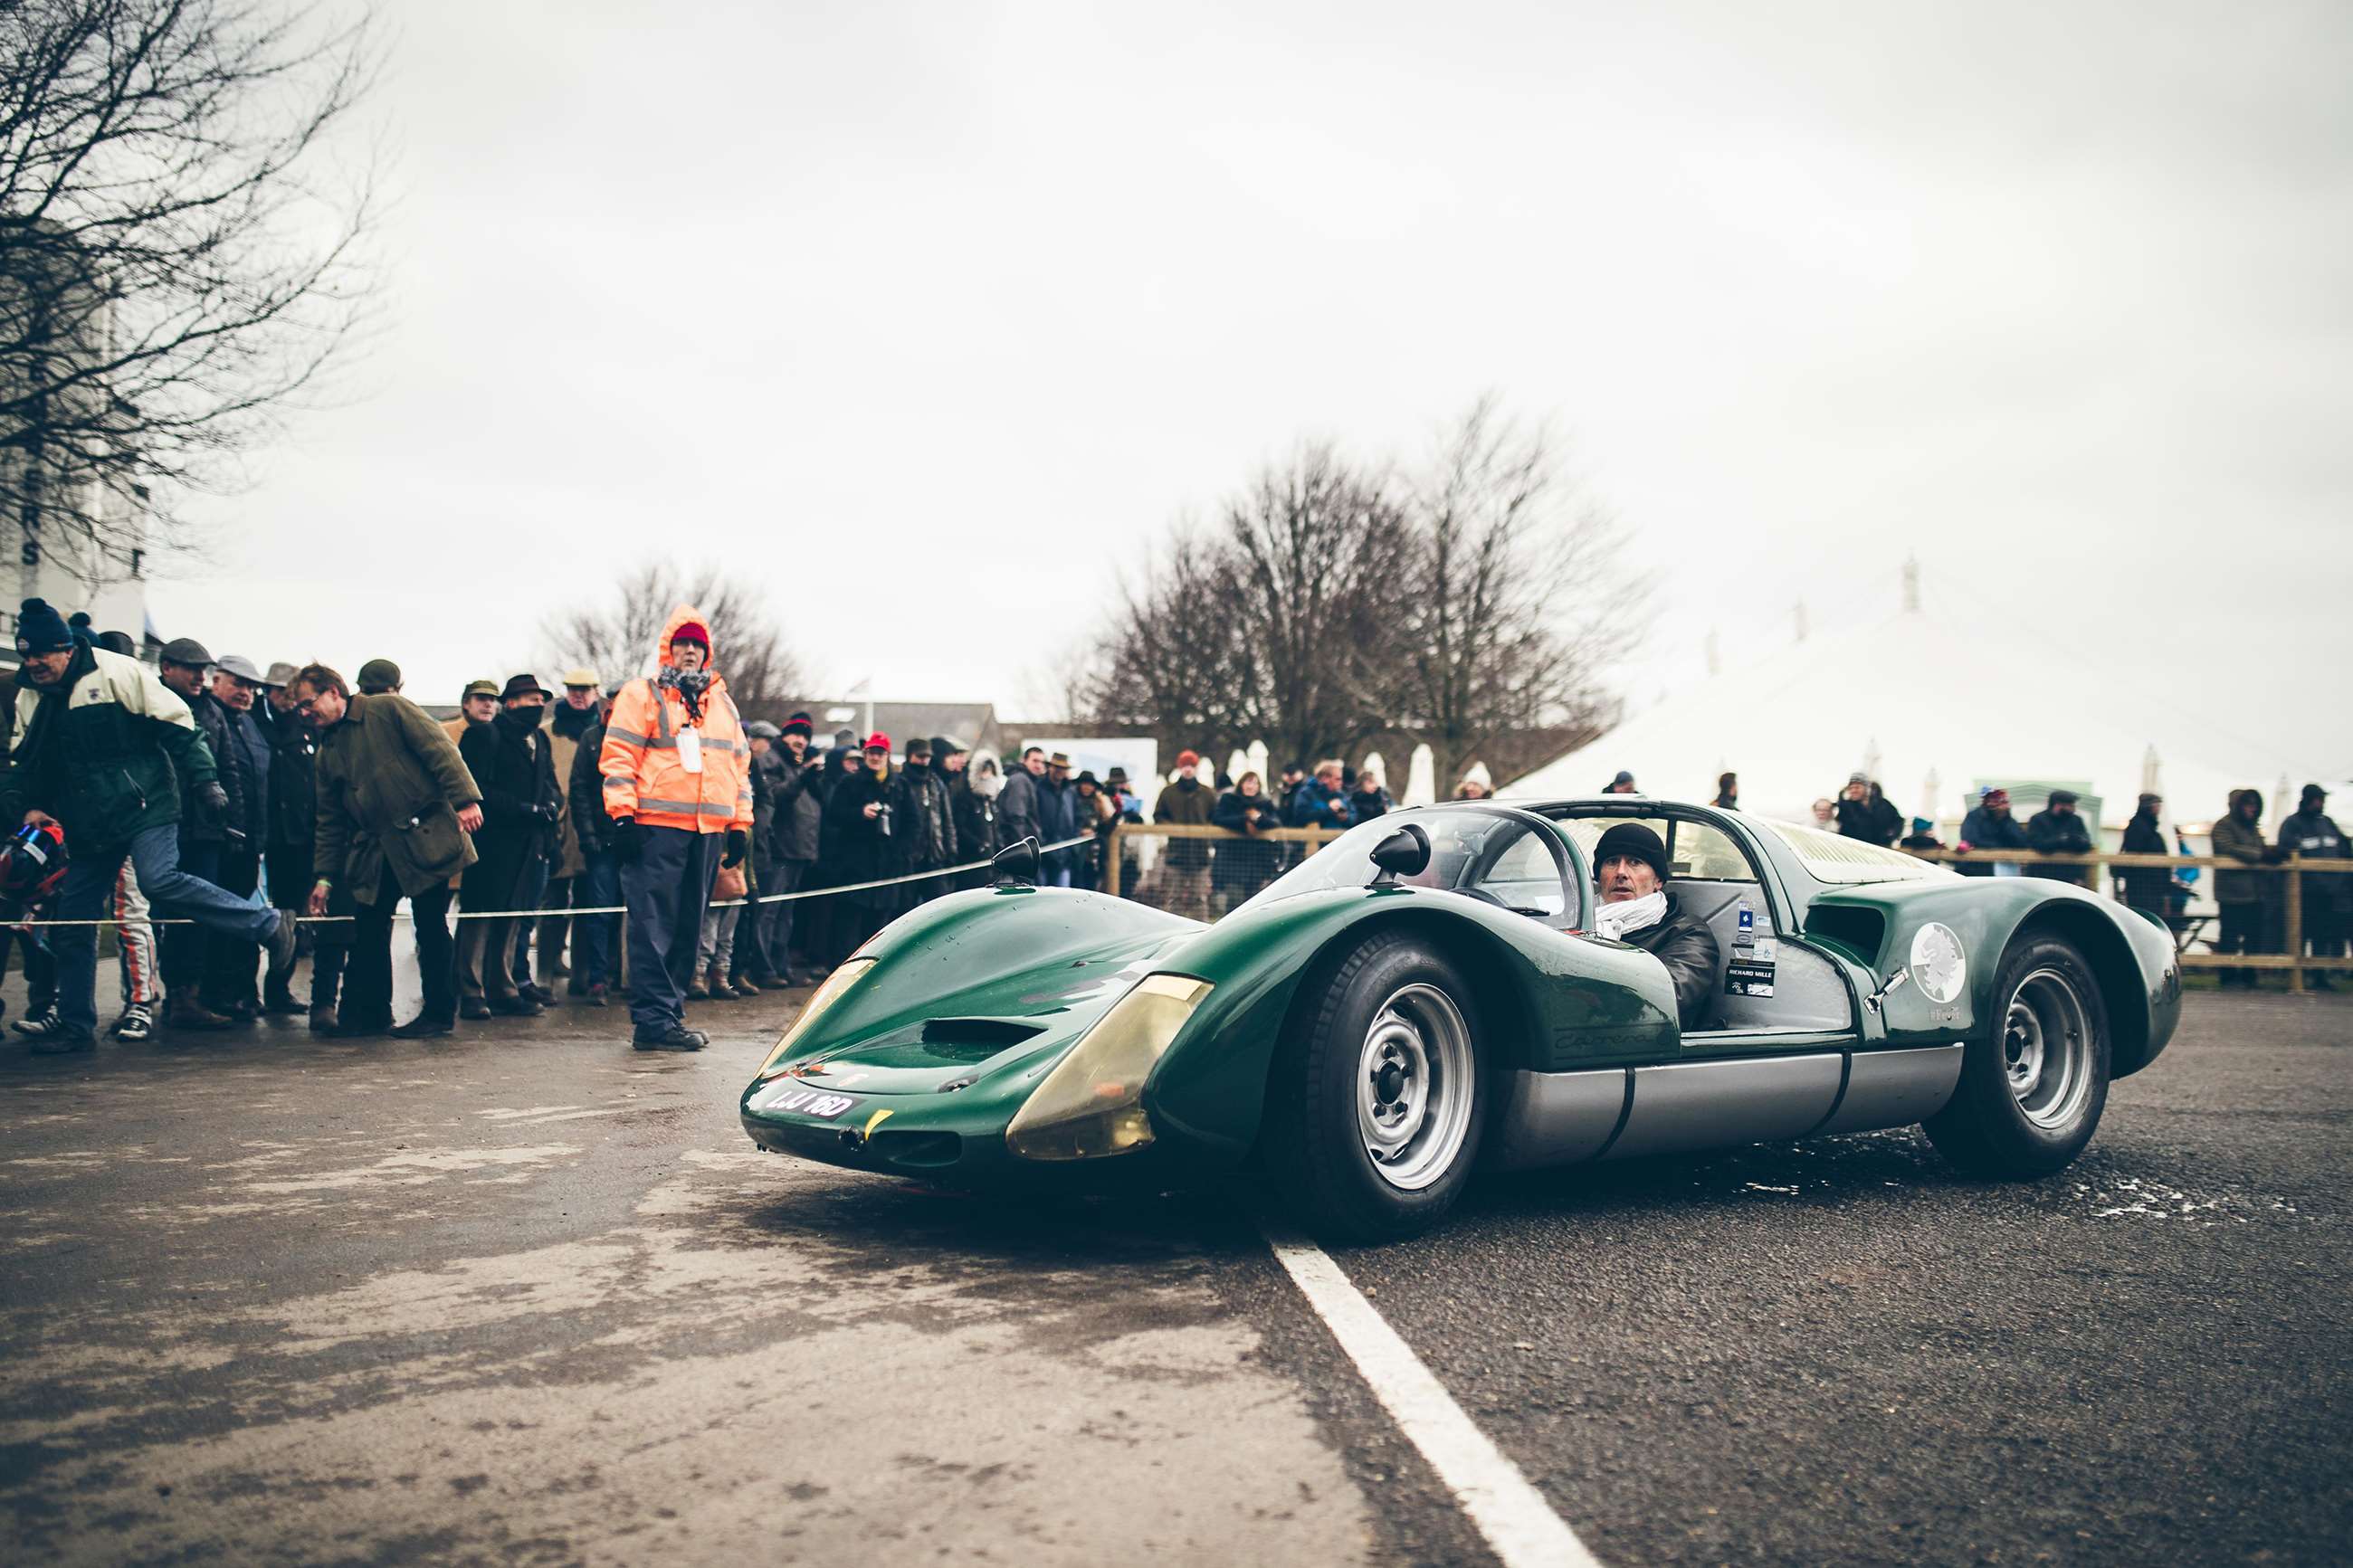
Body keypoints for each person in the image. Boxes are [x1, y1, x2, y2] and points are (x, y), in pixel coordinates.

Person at [5, 602, 299, 1054]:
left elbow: (180, 724)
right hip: (88, 820)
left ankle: (267, 923)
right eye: (26, 656)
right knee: (74, 919)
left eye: (41, 655)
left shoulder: (116, 673)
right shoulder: (31, 696)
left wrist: (206, 782)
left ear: (65, 649)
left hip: (147, 804)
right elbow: (24, 764)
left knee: (158, 878)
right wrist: (26, 809)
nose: (33, 665)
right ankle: (75, 1025)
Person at [299, 663, 481, 1037]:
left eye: (308, 702)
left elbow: (440, 749)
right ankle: (372, 1013)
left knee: (430, 925)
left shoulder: (387, 709)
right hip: (377, 848)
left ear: (334, 692)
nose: (305, 712)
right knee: (369, 928)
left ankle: (438, 1013)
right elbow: (330, 821)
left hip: (425, 835)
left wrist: (466, 800)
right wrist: (324, 877)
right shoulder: (327, 750)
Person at [600, 607, 754, 1050]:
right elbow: (619, 758)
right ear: (669, 650)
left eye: (697, 645)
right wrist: (623, 816)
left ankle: (668, 1014)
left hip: (707, 830)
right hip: (655, 829)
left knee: (688, 925)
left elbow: (739, 767)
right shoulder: (642, 694)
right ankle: (653, 1020)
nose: (690, 651)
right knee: (652, 926)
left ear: (707, 653)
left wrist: (740, 824)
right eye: (682, 644)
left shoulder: (722, 703)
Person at [155, 635, 253, 1030]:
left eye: (203, 669)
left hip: (208, 832)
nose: (200, 676)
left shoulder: (213, 712)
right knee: (163, 916)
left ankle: (189, 997)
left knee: (202, 916)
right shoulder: (150, 704)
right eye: (192, 668)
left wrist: (236, 824)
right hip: (164, 827)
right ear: (166, 668)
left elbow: (229, 771)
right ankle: (162, 995)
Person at [457, 674, 561, 1019]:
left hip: (530, 842)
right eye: (532, 700)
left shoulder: (539, 738)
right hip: (492, 840)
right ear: (512, 702)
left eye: (540, 700)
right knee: (480, 915)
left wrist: (549, 808)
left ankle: (503, 986)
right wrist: (521, 809)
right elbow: (475, 787)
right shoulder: (485, 734)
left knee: (513, 915)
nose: (538, 706)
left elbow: (548, 782)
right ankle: (470, 991)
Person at [262, 660, 337, 1028]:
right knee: (284, 916)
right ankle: (275, 988)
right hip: (280, 840)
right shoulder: (263, 726)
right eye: (276, 691)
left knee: (317, 916)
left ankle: (316, 993)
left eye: (288, 693)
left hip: (311, 835)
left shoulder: (311, 730)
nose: (284, 699)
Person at [1590, 822, 1718, 1030]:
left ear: (1658, 880)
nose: (1621, 872)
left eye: (1635, 862)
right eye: (1612, 861)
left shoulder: (1688, 933)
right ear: (1599, 876)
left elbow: (1663, 997)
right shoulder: (1572, 922)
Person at [202, 655, 274, 1019]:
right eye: (238, 684)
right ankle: (213, 994)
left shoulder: (251, 725)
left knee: (244, 917)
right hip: (217, 840)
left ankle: (242, 991)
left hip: (249, 843)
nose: (246, 692)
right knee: (217, 922)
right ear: (216, 681)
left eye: (251, 687)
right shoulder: (207, 717)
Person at [533, 668, 601, 999]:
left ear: (595, 693)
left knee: (588, 904)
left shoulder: (604, 733)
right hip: (558, 827)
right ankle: (545, 973)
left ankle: (583, 975)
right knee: (553, 902)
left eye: (585, 689)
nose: (578, 694)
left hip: (590, 827)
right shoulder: (547, 732)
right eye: (573, 689)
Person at [566, 689, 620, 1006]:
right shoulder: (592, 739)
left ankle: (621, 976)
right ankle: (597, 978)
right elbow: (580, 788)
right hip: (601, 841)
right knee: (600, 911)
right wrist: (587, 835)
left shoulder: (643, 736)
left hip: (634, 840)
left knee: (635, 914)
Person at [817, 736, 893, 963]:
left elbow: (913, 821)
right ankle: (844, 967)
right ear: (865, 754)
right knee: (849, 922)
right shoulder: (849, 783)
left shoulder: (898, 785)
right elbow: (833, 815)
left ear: (887, 756)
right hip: (855, 863)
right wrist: (860, 814)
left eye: (880, 753)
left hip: (886, 866)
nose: (875, 757)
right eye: (871, 753)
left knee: (880, 926)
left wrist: (902, 853)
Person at [766, 714, 824, 981]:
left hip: (799, 851)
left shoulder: (796, 766)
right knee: (769, 913)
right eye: (796, 734)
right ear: (784, 735)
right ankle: (764, 968)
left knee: (785, 915)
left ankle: (779, 965)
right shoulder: (773, 760)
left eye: (805, 736)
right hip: (779, 850)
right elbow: (776, 797)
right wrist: (804, 775)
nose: (800, 740)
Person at [2278, 784, 2348, 986]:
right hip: (2303, 892)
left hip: (2329, 892)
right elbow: (2286, 849)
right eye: (2318, 799)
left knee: (2323, 935)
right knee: (2299, 934)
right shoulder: (2293, 824)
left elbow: (2344, 848)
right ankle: (2296, 977)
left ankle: (2319, 976)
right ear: (2308, 799)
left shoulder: (2327, 823)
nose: (2321, 803)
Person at [2210, 789, 2277, 988]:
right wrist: (2260, 855)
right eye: (2248, 804)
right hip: (2232, 893)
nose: (2252, 808)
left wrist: (2270, 853)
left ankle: (2249, 976)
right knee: (2230, 936)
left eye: (2255, 804)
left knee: (2253, 937)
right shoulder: (2223, 826)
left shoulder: (2253, 828)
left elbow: (2258, 849)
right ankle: (2228, 977)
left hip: (2255, 893)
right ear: (2238, 805)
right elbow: (2228, 848)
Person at [889, 735, 957, 908]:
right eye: (920, 756)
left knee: (941, 907)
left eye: (927, 757)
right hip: (909, 859)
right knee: (906, 910)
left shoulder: (935, 783)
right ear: (909, 756)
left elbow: (946, 819)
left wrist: (951, 849)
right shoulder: (900, 783)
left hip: (934, 856)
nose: (924, 761)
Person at [1155, 750, 1219, 919]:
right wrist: (1173, 829)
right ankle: (1172, 929)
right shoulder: (1168, 793)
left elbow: (1216, 817)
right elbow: (1159, 816)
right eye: (1185, 766)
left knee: (1200, 898)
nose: (1188, 769)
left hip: (1200, 853)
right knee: (1174, 897)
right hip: (1176, 852)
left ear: (1196, 768)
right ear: (1180, 767)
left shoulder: (1207, 793)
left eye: (1191, 766)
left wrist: (1207, 831)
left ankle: (1201, 931)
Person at [1215, 771, 1282, 905]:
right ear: (1241, 784)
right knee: (1235, 900)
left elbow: (1276, 822)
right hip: (1233, 858)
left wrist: (1259, 819)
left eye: (1255, 783)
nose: (1251, 786)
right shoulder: (1229, 800)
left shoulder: (1265, 803)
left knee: (1254, 903)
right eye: (1248, 782)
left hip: (1258, 861)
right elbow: (1218, 819)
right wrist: (1244, 819)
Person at [2118, 794, 2173, 922]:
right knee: (2145, 919)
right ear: (2150, 807)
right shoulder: (2139, 827)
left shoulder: (2147, 828)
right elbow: (2135, 853)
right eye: (2157, 805)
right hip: (2143, 885)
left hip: (2149, 884)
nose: (2159, 809)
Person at [952, 751, 1002, 894]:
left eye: (990, 773)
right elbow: (959, 827)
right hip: (972, 860)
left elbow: (995, 828)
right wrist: (978, 845)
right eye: (984, 772)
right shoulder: (965, 798)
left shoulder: (992, 801)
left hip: (991, 862)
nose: (987, 776)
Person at [2025, 789, 2094, 887]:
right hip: (2043, 874)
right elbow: (2037, 844)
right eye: (2070, 805)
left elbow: (2087, 843)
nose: (2073, 808)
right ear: (2058, 805)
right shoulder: (2038, 819)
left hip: (2071, 874)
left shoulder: (2076, 820)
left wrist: (2076, 841)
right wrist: (2060, 841)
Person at [1956, 786, 2029, 877]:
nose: (2004, 806)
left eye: (2005, 802)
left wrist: (2005, 823)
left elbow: (2022, 842)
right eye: (2000, 802)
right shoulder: (1974, 816)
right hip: (1976, 867)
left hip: (2005, 868)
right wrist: (1999, 846)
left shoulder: (2009, 821)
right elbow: (1970, 839)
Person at [1034, 751, 1079, 888]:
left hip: (1064, 856)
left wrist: (1073, 848)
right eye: (1057, 767)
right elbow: (1033, 817)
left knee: (1061, 901)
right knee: (1041, 898)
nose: (1060, 771)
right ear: (1050, 767)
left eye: (1063, 768)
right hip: (1043, 854)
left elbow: (1078, 819)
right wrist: (1040, 841)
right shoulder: (1038, 788)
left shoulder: (1070, 791)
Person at [1071, 770, 1116, 890]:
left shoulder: (1098, 803)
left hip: (1094, 853)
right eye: (1084, 783)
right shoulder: (1072, 800)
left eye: (1090, 784)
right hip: (1076, 850)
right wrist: (1080, 831)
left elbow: (1107, 823)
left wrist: (1103, 799)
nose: (1087, 787)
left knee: (1092, 883)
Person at [1284, 758, 1352, 832]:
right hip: (1315, 842)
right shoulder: (1306, 793)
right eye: (1338, 779)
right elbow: (1300, 817)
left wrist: (1345, 817)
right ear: (1325, 778)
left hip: (1340, 841)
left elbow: (1354, 818)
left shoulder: (1342, 796)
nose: (1341, 782)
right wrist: (1329, 809)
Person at [999, 746, 1043, 856]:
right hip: (1020, 849)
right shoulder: (1020, 780)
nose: (1038, 765)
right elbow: (1016, 817)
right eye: (1035, 761)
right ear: (1024, 760)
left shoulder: (1027, 780)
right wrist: (1023, 849)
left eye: (1041, 762)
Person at [444, 679, 498, 746]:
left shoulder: (504, 734)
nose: (488, 705)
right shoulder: (443, 732)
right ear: (466, 703)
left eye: (492, 700)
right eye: (481, 698)